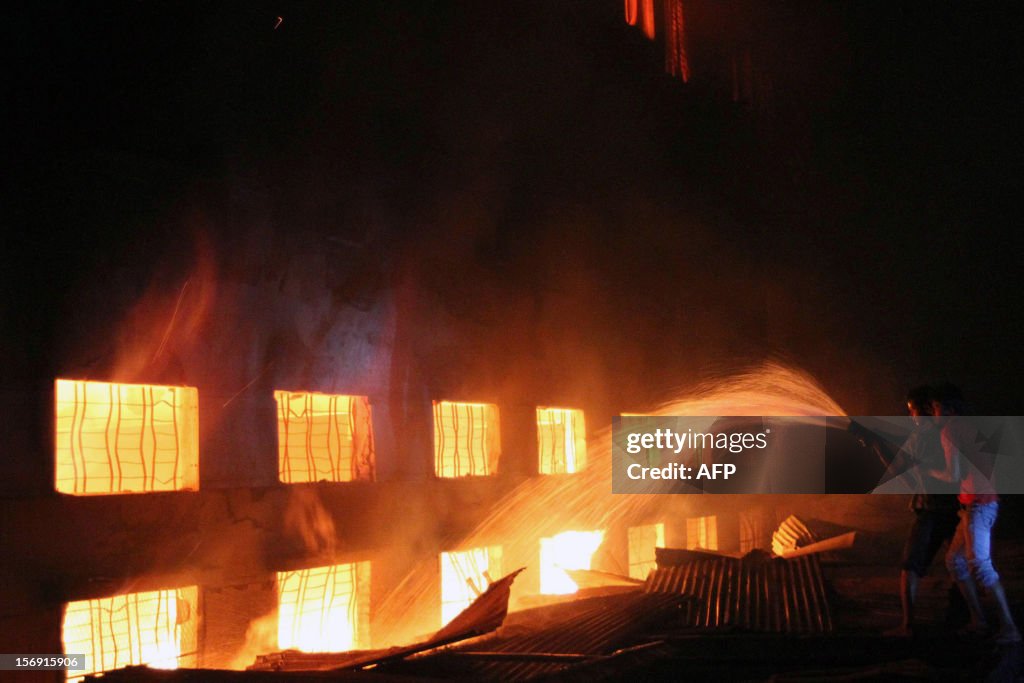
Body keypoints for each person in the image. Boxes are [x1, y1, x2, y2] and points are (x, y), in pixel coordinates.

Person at [934, 384, 1021, 644]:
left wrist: (925, 473)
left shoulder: (950, 429)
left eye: (936, 407)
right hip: (980, 504)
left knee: (980, 566)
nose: (933, 412)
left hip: (978, 505)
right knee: (955, 561)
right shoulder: (972, 425)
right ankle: (979, 622)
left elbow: (953, 475)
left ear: (948, 408)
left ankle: (1010, 629)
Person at [888, 386, 961, 636]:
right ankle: (963, 617)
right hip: (954, 509)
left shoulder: (921, 437)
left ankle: (907, 625)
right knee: (959, 565)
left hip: (930, 509)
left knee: (910, 566)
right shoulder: (947, 432)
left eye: (912, 411)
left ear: (926, 409)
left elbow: (906, 475)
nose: (911, 417)